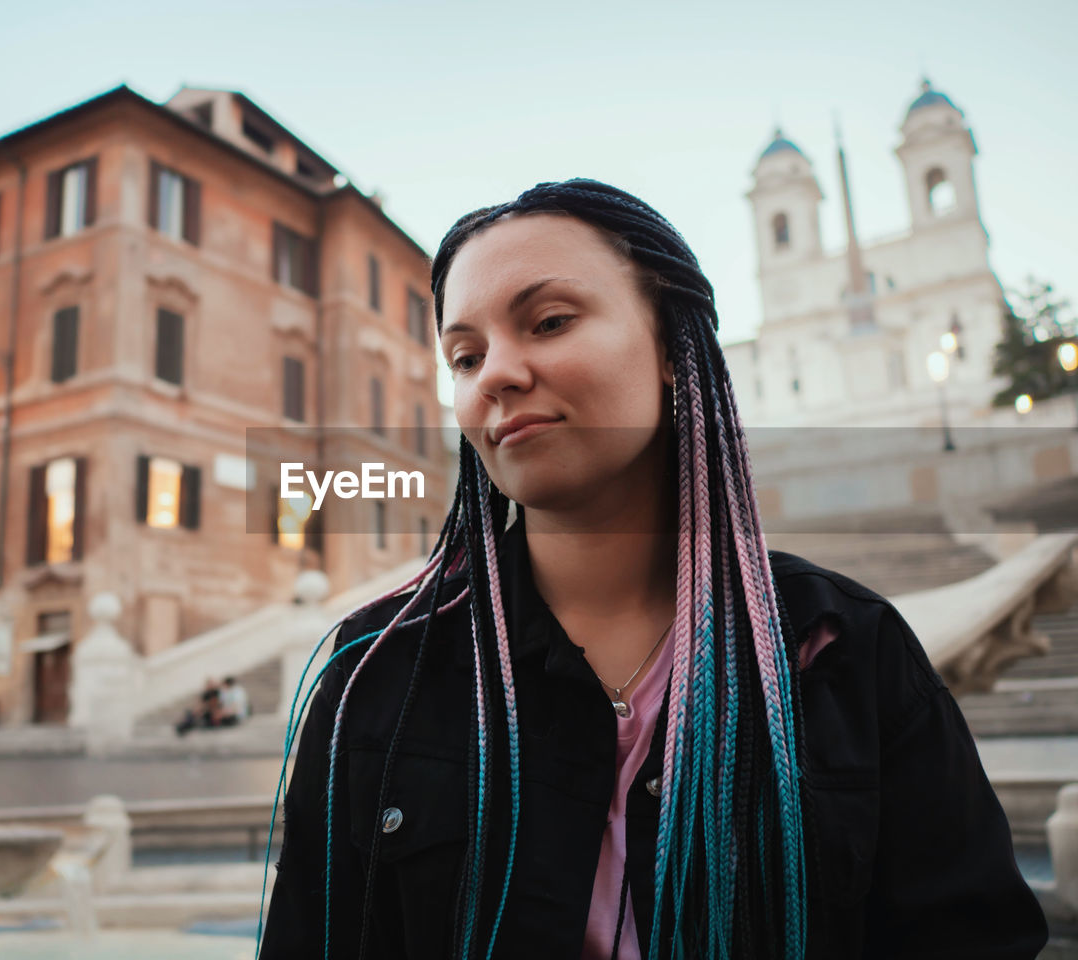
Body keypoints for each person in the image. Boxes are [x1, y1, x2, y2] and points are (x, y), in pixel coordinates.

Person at [257, 179, 1047, 959]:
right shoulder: (375, 678)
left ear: (672, 347)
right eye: (465, 355)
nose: (495, 372)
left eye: (550, 321)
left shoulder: (847, 651)